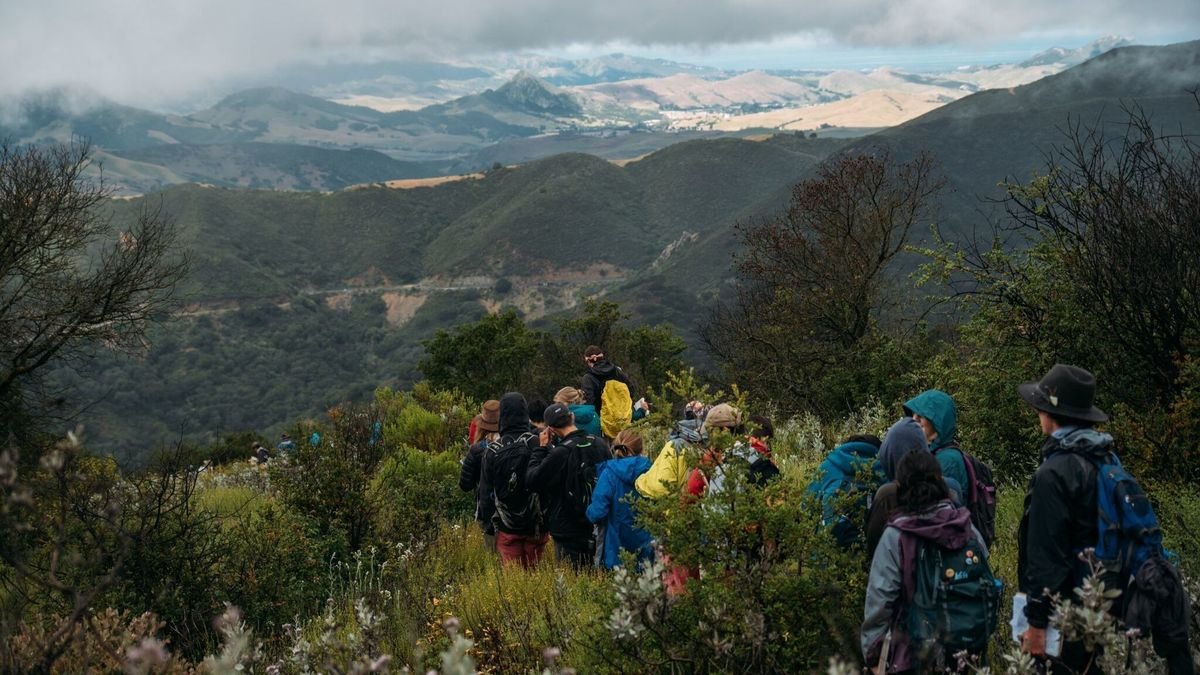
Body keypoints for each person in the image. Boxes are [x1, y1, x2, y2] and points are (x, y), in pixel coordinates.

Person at [1016, 364, 1193, 674]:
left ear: (1049, 413)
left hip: (1068, 618)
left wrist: (1035, 624)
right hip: (1109, 607)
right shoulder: (1105, 458)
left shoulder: (1053, 474)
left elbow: (1047, 559)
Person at [862, 450, 994, 674]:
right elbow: (986, 579)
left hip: (911, 656)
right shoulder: (965, 527)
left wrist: (873, 654)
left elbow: (880, 600)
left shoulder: (896, 536)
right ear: (940, 482)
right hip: (965, 651)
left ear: (901, 487)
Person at [526, 403, 611, 569]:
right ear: (572, 418)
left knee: (570, 578)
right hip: (597, 521)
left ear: (551, 429)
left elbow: (533, 480)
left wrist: (541, 449)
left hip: (567, 528)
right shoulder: (600, 444)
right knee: (598, 573)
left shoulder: (561, 452)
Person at [481, 393, 546, 568]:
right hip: (536, 524)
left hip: (506, 525)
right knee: (538, 576)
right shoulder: (537, 443)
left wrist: (489, 524)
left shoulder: (492, 451)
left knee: (513, 581)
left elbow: (485, 493)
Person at [588, 428, 654, 569]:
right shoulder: (652, 470)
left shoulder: (609, 473)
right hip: (647, 548)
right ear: (641, 448)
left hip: (615, 549)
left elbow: (597, 512)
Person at [865, 418, 929, 561]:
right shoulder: (950, 488)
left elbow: (874, 552)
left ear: (889, 454)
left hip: (902, 579)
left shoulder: (888, 495)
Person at [806, 434, 885, 549]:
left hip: (826, 554)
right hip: (871, 554)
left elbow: (807, 506)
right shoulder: (883, 470)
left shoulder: (827, 466)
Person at [903, 390, 966, 504]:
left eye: (921, 416)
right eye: (913, 414)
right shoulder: (932, 453)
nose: (914, 420)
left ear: (938, 422)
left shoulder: (948, 460)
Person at [459, 399, 502, 552]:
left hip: (486, 508)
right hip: (512, 509)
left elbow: (465, 484)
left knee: (491, 551)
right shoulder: (514, 444)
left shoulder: (476, 450)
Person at [580, 346, 647, 438]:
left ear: (588, 361)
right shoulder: (617, 371)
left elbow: (589, 403)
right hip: (623, 421)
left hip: (603, 425)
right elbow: (630, 389)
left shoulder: (588, 378)